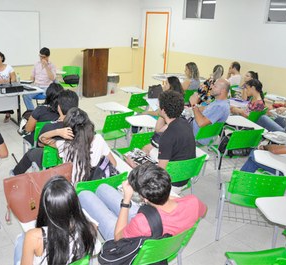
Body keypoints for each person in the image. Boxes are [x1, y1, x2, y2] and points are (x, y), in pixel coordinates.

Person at [78, 164, 207, 241]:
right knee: (103, 188)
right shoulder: (193, 201)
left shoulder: (141, 222)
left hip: (136, 231)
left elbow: (118, 237)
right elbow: (204, 210)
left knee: (85, 195)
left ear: (144, 198)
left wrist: (126, 200)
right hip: (154, 224)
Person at [15, 176, 97, 265]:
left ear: (45, 207)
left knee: (20, 240)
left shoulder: (34, 237)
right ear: (75, 203)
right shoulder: (91, 228)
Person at [132, 90, 196, 194]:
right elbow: (159, 129)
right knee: (147, 147)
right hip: (186, 174)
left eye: (159, 105)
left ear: (163, 110)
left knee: (135, 162)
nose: (157, 106)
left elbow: (160, 171)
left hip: (172, 182)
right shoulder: (183, 122)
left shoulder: (167, 136)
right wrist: (162, 115)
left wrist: (138, 166)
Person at [39, 107, 116, 184]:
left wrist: (58, 132)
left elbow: (42, 138)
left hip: (75, 189)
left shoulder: (65, 145)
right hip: (95, 185)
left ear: (69, 129)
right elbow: (114, 163)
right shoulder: (99, 139)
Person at [11, 90, 79, 175]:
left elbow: (41, 144)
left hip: (51, 163)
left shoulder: (49, 127)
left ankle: (14, 174)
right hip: (74, 164)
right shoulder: (81, 126)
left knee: (31, 153)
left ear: (59, 107)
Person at [241, 107, 286, 174]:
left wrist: (265, 147)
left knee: (254, 155)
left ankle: (240, 182)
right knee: (258, 156)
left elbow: (275, 150)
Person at [190, 78, 231, 145]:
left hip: (198, 137)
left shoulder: (220, 107)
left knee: (171, 128)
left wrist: (194, 105)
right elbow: (204, 108)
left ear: (222, 91)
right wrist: (191, 107)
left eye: (215, 86)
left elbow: (201, 123)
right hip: (196, 131)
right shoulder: (219, 102)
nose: (211, 87)